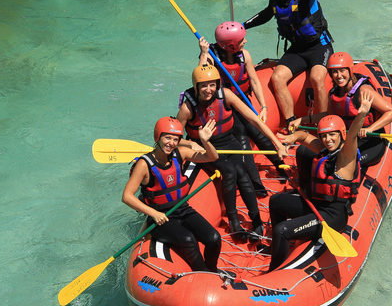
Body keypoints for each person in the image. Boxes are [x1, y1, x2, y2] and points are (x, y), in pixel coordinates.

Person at [177, 65, 288, 239]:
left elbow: (254, 120)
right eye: (203, 86)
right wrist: (192, 144)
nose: (208, 90)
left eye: (212, 85)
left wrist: (277, 144)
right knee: (229, 171)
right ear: (196, 86)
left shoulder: (226, 95)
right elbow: (175, 137)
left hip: (229, 141)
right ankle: (234, 222)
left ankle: (256, 219)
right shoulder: (187, 108)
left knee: (242, 173)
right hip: (206, 148)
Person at [267, 91, 374, 271]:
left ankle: (274, 271)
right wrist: (290, 138)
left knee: (282, 230)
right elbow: (304, 137)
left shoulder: (345, 157)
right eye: (324, 135)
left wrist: (361, 114)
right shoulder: (324, 149)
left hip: (332, 216)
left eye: (332, 135)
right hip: (316, 204)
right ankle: (278, 249)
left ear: (341, 134)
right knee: (275, 201)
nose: (327, 139)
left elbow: (353, 136)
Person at [243, 0, 333, 129]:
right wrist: (242, 26)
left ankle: (323, 123)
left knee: (316, 78)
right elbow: (265, 15)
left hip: (319, 47)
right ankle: (291, 121)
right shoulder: (275, 0)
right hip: (297, 49)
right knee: (277, 78)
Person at [122, 117, 221, 272]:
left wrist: (205, 141)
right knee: (188, 240)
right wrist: (153, 213)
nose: (171, 143)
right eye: (167, 138)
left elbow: (212, 157)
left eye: (175, 139)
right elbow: (127, 196)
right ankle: (204, 275)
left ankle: (212, 269)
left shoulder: (180, 153)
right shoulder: (144, 164)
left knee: (214, 238)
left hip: (183, 208)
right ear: (158, 137)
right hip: (160, 216)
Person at [198, 22, 284, 196]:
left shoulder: (244, 55)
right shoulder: (212, 57)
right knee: (243, 139)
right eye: (242, 39)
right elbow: (201, 73)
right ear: (230, 45)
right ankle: (257, 185)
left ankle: (281, 166)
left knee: (258, 133)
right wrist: (204, 52)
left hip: (243, 101)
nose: (245, 41)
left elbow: (253, 80)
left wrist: (264, 106)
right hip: (226, 105)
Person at [291, 51, 392, 167]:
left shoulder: (364, 91)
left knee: (339, 164)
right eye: (334, 72)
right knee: (304, 152)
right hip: (348, 141)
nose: (339, 76)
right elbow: (329, 115)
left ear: (350, 71)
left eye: (342, 70)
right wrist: (302, 120)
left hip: (370, 142)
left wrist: (370, 129)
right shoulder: (334, 93)